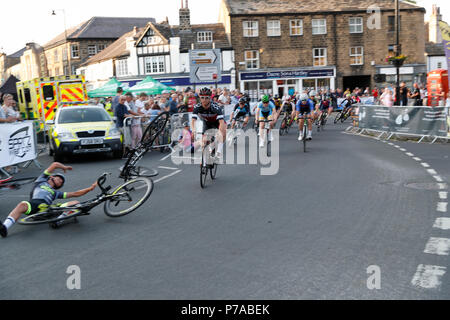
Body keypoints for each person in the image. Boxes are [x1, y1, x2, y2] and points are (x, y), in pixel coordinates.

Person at [0, 162, 97, 238]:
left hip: (48, 208)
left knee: (75, 203)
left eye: (61, 182)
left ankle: (57, 221)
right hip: (34, 204)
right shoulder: (41, 180)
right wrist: (64, 167)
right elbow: (54, 165)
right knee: (21, 204)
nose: (60, 181)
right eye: (59, 178)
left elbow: (75, 194)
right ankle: (4, 227)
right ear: (52, 177)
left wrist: (90, 188)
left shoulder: (56, 193)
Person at [191, 87, 227, 158]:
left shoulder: (216, 107)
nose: (204, 100)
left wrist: (220, 132)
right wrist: (193, 130)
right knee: (204, 141)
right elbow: (193, 121)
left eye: (207, 98)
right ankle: (204, 159)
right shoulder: (197, 107)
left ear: (210, 98)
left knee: (223, 134)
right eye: (202, 97)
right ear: (200, 98)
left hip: (217, 122)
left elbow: (221, 122)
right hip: (207, 123)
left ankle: (218, 152)